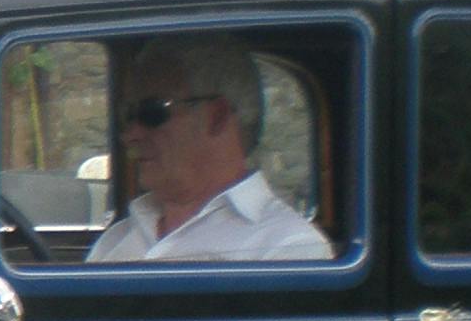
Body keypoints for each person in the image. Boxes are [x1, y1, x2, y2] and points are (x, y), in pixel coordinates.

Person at [86, 35, 333, 262]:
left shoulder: (288, 247)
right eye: (128, 115)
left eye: (152, 113)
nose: (131, 135)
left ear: (216, 116)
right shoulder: (114, 240)